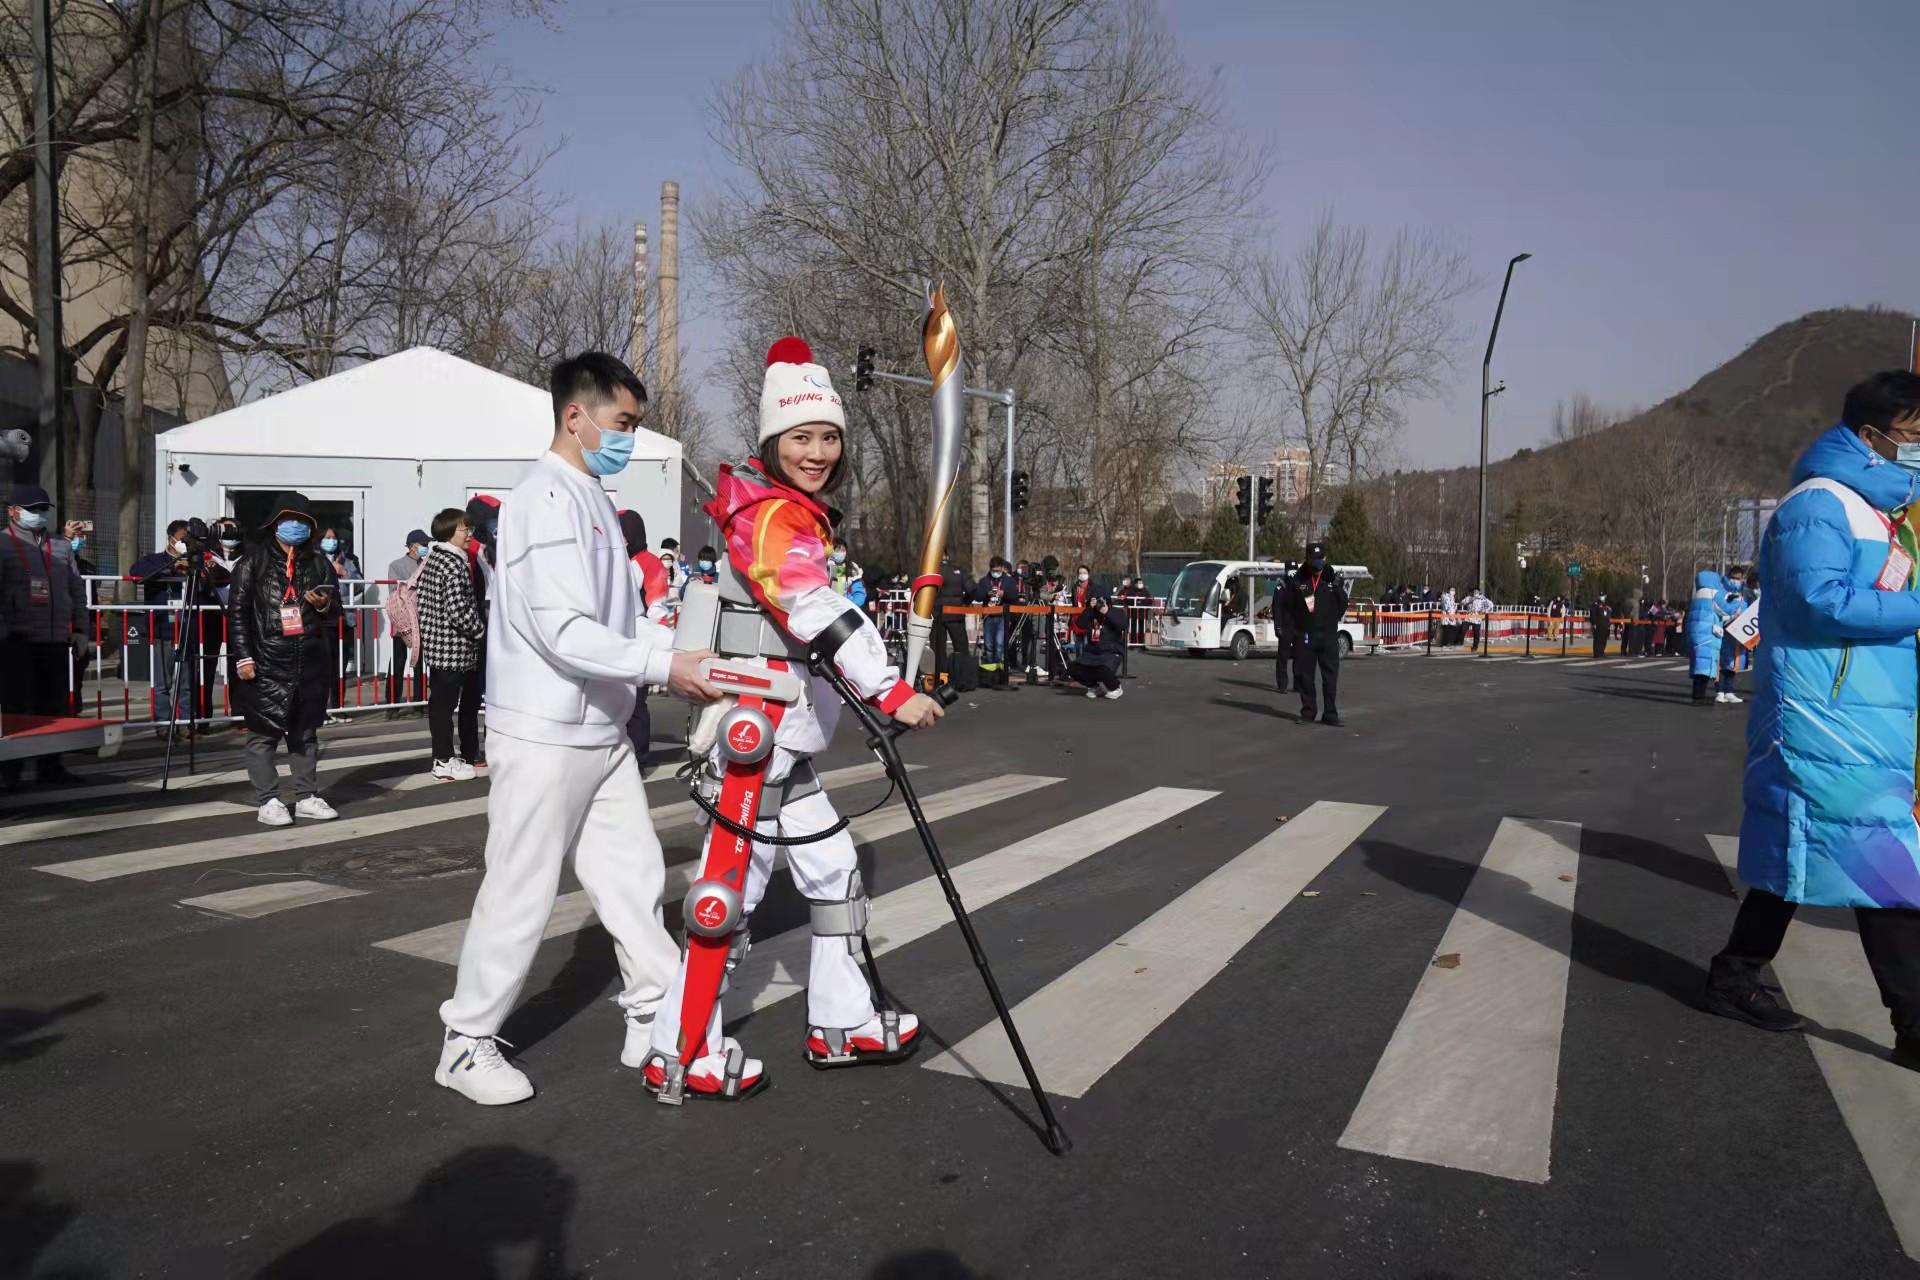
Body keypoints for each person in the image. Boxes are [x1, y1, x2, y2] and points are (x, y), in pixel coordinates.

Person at [642, 335, 944, 1101]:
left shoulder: (792, 512)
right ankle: (681, 1051)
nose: (817, 452)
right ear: (773, 440)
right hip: (754, 734)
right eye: (802, 437)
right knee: (727, 897)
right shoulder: (771, 516)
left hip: (783, 736)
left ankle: (840, 1023)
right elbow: (812, 606)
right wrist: (885, 689)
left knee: (833, 869)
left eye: (829, 438)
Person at [436, 352, 722, 1107]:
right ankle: (466, 1042)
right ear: (576, 415)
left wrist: (677, 649)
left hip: (599, 729)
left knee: (633, 880)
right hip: (543, 731)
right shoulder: (542, 501)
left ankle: (654, 1013)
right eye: (623, 422)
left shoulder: (593, 496)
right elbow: (563, 629)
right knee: (521, 889)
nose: (630, 435)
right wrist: (665, 667)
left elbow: (617, 620)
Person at [1703, 370, 1920, 1067]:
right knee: (1882, 867)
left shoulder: (1874, 510)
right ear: (1873, 435)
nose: (1919, 450)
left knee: (1800, 856)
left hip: (1863, 712)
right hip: (1826, 715)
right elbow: (1817, 601)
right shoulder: (1819, 505)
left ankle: (1734, 976)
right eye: (1915, 437)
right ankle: (1915, 1026)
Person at [228, 492, 341, 826]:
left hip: (308, 660)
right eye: (290, 520)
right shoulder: (254, 560)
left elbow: (336, 612)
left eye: (304, 521)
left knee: (305, 732)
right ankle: (268, 799)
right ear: (275, 523)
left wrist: (322, 604)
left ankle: (307, 796)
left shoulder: (319, 562)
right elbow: (237, 613)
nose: (297, 526)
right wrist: (243, 657)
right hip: (265, 659)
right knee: (263, 733)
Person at [0, 482, 89, 787]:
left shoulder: (61, 547)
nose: (39, 515)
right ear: (13, 511)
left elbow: (76, 591)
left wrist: (80, 631)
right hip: (17, 641)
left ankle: (51, 766)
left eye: (43, 510)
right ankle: (9, 769)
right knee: (16, 707)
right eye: (32, 510)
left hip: (54, 639)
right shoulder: (3, 545)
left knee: (53, 706)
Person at [418, 508, 487, 780]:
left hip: (440, 645)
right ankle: (444, 759)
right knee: (444, 706)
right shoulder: (452, 563)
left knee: (441, 706)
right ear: (449, 532)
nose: (469, 534)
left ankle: (445, 757)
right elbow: (458, 610)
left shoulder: (436, 559)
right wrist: (481, 630)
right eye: (464, 529)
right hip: (453, 647)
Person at [616, 507, 672, 767]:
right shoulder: (620, 560)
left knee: (636, 702)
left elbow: (658, 608)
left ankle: (638, 754)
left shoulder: (648, 562)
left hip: (640, 641)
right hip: (619, 641)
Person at [1283, 542, 1348, 726]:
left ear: (1325, 559)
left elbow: (1342, 604)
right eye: (1314, 559)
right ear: (1307, 559)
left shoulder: (1332, 578)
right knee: (1306, 676)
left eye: (1320, 559)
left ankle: (1330, 713)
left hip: (1327, 635)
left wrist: (1336, 595)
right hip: (1306, 634)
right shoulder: (1299, 579)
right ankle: (1308, 711)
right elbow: (1290, 604)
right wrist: (1297, 627)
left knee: (1330, 677)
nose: (1317, 563)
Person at [386, 529, 431, 708]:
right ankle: (392, 703)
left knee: (420, 663)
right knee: (397, 662)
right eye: (423, 544)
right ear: (412, 546)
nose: (426, 548)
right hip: (403, 621)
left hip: (421, 621)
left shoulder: (428, 564)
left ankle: (419, 701)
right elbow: (394, 593)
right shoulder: (396, 565)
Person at [1686, 570, 1732, 705]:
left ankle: (1697, 696)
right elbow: (1725, 611)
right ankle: (1699, 698)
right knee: (1704, 668)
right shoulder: (1714, 594)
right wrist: (1735, 605)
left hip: (1696, 635)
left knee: (1698, 666)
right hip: (1708, 635)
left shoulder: (1697, 595)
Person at [969, 555, 1016, 687]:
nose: (996, 573)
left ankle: (999, 670)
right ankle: (990, 671)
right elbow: (977, 597)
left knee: (999, 644)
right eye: (993, 570)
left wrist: (1003, 593)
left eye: (998, 570)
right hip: (988, 617)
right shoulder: (984, 581)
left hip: (1002, 616)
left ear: (1002, 568)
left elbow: (1014, 595)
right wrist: (987, 593)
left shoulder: (1008, 580)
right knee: (989, 645)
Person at [1068, 595, 1126, 699]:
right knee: (1073, 668)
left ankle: (1115, 687)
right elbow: (1080, 623)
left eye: (1100, 601)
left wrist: (1107, 612)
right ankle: (1094, 686)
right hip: (1092, 652)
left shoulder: (1115, 612)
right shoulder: (1091, 613)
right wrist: (1090, 608)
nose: (1099, 604)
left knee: (1101, 668)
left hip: (1110, 651)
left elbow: (1122, 625)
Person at [1717, 567, 1750, 703]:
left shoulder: (1744, 597)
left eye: (1738, 578)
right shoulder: (1722, 593)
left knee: (1733, 663)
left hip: (1738, 635)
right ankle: (1719, 691)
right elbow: (1717, 610)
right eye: (1734, 578)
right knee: (1723, 663)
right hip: (1724, 633)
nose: (1736, 581)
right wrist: (1730, 617)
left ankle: (1729, 691)